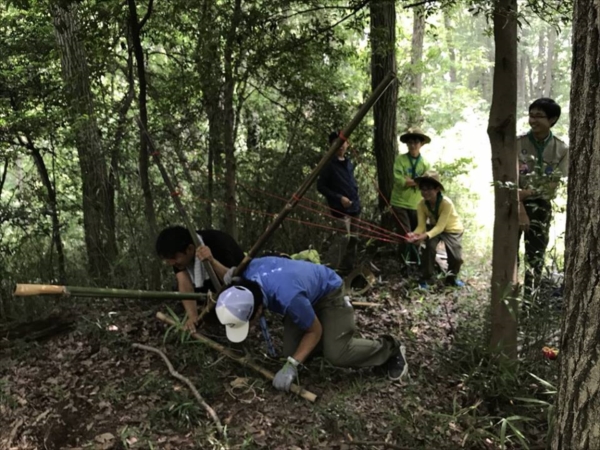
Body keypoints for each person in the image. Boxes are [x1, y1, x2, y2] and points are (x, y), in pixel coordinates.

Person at [207, 255, 408, 391]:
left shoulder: (288, 297)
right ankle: (326, 340)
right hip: (304, 294)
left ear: (258, 309)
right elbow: (230, 273)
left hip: (329, 292)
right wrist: (209, 259)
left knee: (336, 353)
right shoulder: (246, 278)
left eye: (248, 323)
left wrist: (292, 365)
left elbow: (314, 330)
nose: (250, 328)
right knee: (291, 351)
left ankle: (390, 349)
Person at [517, 98, 568, 301]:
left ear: (552, 119)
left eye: (539, 116)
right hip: (513, 204)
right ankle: (507, 304)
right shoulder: (517, 143)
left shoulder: (561, 149)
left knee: (535, 257)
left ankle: (530, 303)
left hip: (541, 206)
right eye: (531, 115)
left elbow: (552, 184)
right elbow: (509, 179)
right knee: (509, 257)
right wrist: (520, 206)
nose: (533, 120)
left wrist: (527, 193)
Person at [155, 225, 245, 332]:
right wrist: (193, 317)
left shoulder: (218, 243)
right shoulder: (179, 258)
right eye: (168, 260)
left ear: (190, 249)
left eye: (174, 258)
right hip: (209, 292)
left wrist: (212, 261)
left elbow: (235, 280)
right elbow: (184, 283)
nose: (171, 263)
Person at [408, 171, 464, 289]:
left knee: (456, 258)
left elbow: (441, 226)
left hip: (452, 229)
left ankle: (451, 279)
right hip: (434, 228)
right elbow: (421, 226)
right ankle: (426, 279)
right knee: (428, 248)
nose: (425, 192)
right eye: (422, 189)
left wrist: (425, 235)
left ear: (437, 189)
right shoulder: (421, 204)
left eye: (429, 189)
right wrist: (414, 234)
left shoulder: (446, 203)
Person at [317, 131, 361, 271]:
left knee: (354, 238)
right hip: (339, 209)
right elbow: (321, 186)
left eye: (343, 142)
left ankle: (347, 269)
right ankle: (332, 269)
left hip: (355, 207)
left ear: (347, 144)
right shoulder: (328, 164)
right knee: (343, 239)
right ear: (331, 145)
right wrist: (339, 197)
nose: (340, 146)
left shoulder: (348, 163)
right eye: (336, 143)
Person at [390, 127, 431, 264]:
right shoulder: (400, 160)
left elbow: (427, 183)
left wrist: (411, 181)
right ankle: (403, 263)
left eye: (416, 142)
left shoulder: (425, 163)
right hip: (400, 203)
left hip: (417, 204)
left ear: (421, 144)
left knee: (417, 234)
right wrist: (418, 182)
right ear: (407, 144)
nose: (413, 145)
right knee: (405, 235)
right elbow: (400, 180)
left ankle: (415, 262)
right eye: (410, 142)